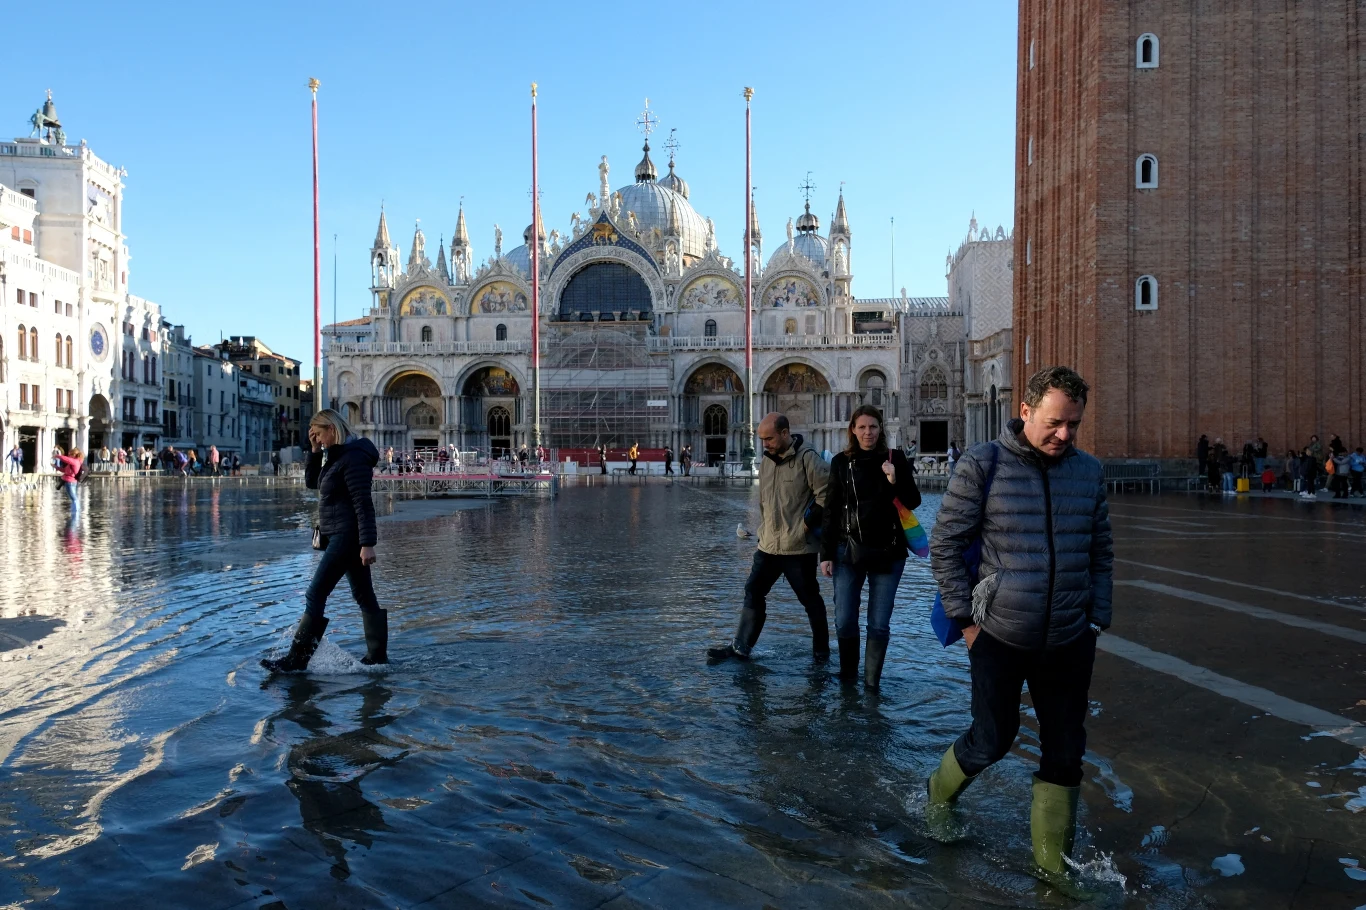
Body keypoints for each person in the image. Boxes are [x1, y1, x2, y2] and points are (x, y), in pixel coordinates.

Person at [925, 366, 1112, 889]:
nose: (1065, 435)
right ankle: (938, 793)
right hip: (999, 636)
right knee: (992, 740)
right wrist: (965, 621)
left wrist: (1098, 616)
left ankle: (1052, 872)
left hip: (1071, 638)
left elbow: (1101, 550)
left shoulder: (1089, 471)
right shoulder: (982, 465)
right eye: (1055, 423)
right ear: (1025, 411)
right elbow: (943, 546)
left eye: (1074, 425)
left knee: (1066, 752)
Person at [262, 409, 386, 673]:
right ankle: (377, 659)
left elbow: (363, 503)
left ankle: (296, 661)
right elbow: (311, 483)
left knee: (315, 593)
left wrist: (368, 543)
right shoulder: (337, 456)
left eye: (319, 434)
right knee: (364, 595)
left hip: (347, 536)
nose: (317, 439)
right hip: (340, 535)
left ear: (332, 428)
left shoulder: (353, 458)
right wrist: (314, 451)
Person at [708, 413, 832, 663]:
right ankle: (741, 648)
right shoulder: (765, 462)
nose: (764, 444)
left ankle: (821, 653)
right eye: (762, 439)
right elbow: (765, 502)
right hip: (768, 546)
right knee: (753, 591)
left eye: (769, 438)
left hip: (798, 547)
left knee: (810, 601)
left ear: (785, 433)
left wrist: (806, 524)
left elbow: (828, 494)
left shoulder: (808, 458)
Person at [819, 405, 921, 687]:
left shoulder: (895, 458)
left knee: (879, 623)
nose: (868, 432)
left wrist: (894, 478)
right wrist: (825, 554)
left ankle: (872, 684)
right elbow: (831, 510)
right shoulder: (841, 462)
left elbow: (913, 501)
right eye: (862, 427)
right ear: (852, 430)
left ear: (881, 429)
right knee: (844, 619)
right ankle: (848, 679)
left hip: (889, 551)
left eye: (873, 427)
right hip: (847, 550)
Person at [52, 446, 84, 513]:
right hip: (70, 481)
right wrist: (56, 467)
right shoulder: (72, 463)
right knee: (73, 498)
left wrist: (57, 456)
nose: (69, 455)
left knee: (74, 498)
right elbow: (64, 470)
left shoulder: (75, 461)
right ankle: (74, 511)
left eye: (70, 454)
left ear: (74, 455)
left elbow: (66, 459)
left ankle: (76, 512)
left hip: (70, 482)